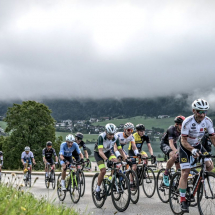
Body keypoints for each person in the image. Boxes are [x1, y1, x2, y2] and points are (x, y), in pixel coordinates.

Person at [179, 99, 215, 213]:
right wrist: (192, 150)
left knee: (209, 166)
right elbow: (183, 140)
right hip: (185, 146)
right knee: (186, 171)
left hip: (197, 144)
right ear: (194, 110)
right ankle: (183, 199)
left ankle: (197, 180)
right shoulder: (187, 122)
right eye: (200, 111)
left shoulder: (208, 121)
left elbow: (213, 138)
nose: (203, 114)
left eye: (205, 111)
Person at [94, 123, 127, 201]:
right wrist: (106, 160)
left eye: (112, 134)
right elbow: (100, 152)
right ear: (106, 132)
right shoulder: (101, 137)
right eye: (109, 134)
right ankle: (98, 189)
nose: (111, 136)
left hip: (108, 152)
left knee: (116, 163)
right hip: (99, 153)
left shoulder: (115, 137)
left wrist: (125, 159)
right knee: (103, 171)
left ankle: (111, 179)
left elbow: (120, 150)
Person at [160, 115, 185, 186]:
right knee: (174, 156)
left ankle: (177, 178)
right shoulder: (171, 129)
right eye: (181, 124)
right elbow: (170, 143)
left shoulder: (183, 130)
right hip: (165, 143)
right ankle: (165, 173)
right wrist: (176, 152)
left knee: (178, 163)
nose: (183, 126)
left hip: (174, 144)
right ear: (176, 124)